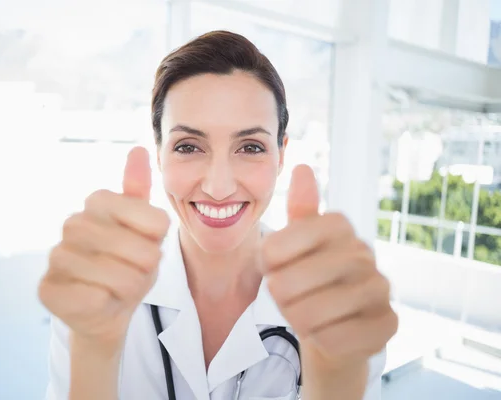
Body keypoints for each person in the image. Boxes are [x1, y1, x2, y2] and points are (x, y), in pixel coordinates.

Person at [39, 30, 398, 400]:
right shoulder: (96, 291)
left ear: (281, 154)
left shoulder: (341, 309)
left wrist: (335, 386)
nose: (219, 186)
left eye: (250, 147)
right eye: (189, 146)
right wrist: (93, 353)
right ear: (159, 152)